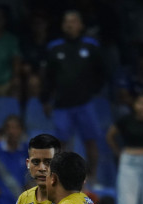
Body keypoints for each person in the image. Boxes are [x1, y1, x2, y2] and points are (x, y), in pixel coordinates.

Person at [42, 10, 105, 179]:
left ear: (81, 25)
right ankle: (63, 178)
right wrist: (46, 99)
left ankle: (92, 177)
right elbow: (48, 77)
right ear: (63, 26)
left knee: (90, 141)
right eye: (67, 22)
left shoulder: (91, 46)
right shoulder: (54, 48)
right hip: (62, 104)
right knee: (61, 144)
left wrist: (94, 90)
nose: (70, 25)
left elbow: (102, 71)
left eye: (74, 21)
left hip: (85, 103)